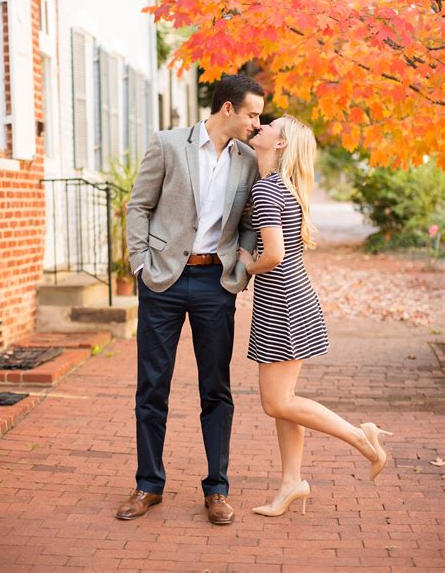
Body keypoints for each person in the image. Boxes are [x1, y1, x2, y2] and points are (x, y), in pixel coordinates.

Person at [116, 74, 264, 524]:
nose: (257, 123)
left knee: (216, 389)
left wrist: (236, 273)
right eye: (252, 114)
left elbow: (250, 220)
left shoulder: (249, 160)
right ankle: (149, 484)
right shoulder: (167, 144)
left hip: (213, 284)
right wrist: (140, 264)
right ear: (227, 110)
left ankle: (216, 490)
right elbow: (138, 206)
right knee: (152, 386)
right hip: (161, 281)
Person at [237, 115, 393, 517]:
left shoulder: (268, 190)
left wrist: (245, 265)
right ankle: (292, 483)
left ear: (282, 144)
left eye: (271, 126)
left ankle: (361, 438)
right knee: (285, 402)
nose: (263, 127)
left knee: (276, 403)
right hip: (291, 300)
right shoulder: (282, 186)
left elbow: (273, 255)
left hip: (282, 306)